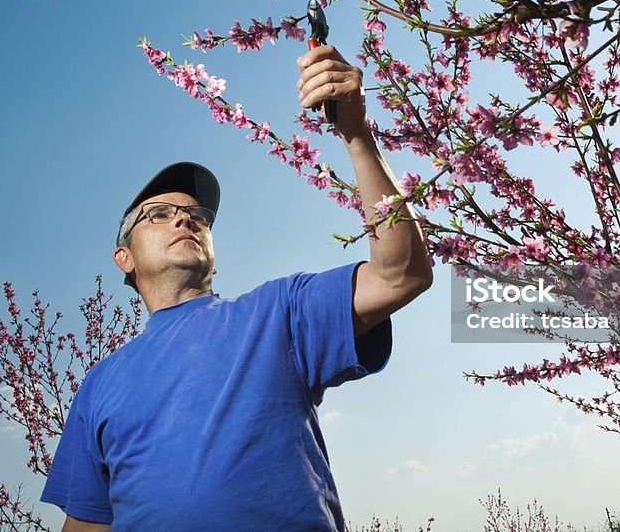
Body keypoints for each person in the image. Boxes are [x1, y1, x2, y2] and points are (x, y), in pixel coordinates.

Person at [40, 44, 433, 531]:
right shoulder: (100, 383)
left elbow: (401, 273)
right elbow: (86, 525)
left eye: (197, 216)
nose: (185, 217)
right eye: (158, 214)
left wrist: (355, 132)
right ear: (124, 258)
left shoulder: (276, 312)